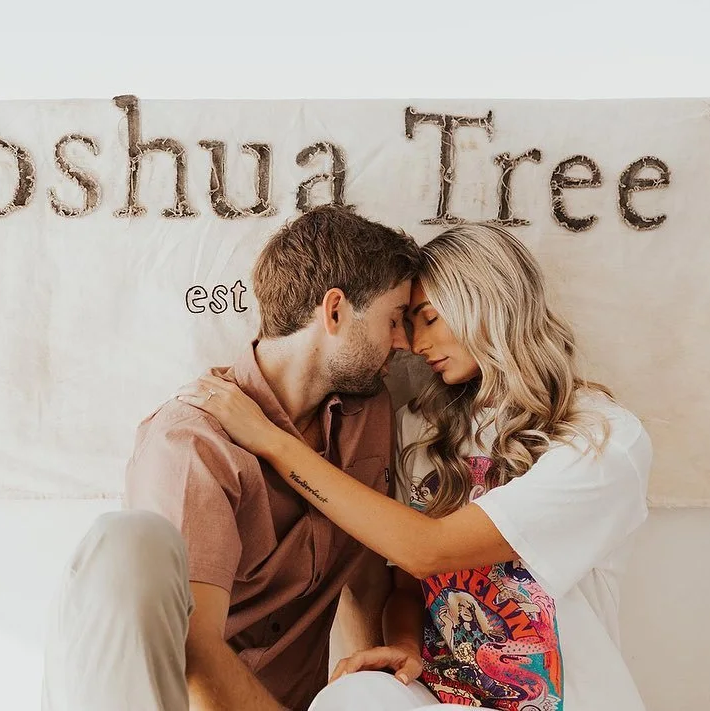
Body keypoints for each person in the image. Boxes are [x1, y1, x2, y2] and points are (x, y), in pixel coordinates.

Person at [179, 223, 651, 711]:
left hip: (561, 700)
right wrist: (403, 645)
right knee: (350, 697)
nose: (411, 342)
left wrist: (272, 441)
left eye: (425, 317)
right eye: (401, 320)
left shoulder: (602, 439)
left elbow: (428, 551)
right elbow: (407, 580)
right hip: (440, 699)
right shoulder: (419, 427)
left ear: (483, 304)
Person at [41, 204, 422, 711]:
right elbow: (193, 660)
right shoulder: (193, 443)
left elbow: (364, 581)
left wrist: (359, 693)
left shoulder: (368, 411)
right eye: (394, 320)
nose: (406, 343)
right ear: (335, 311)